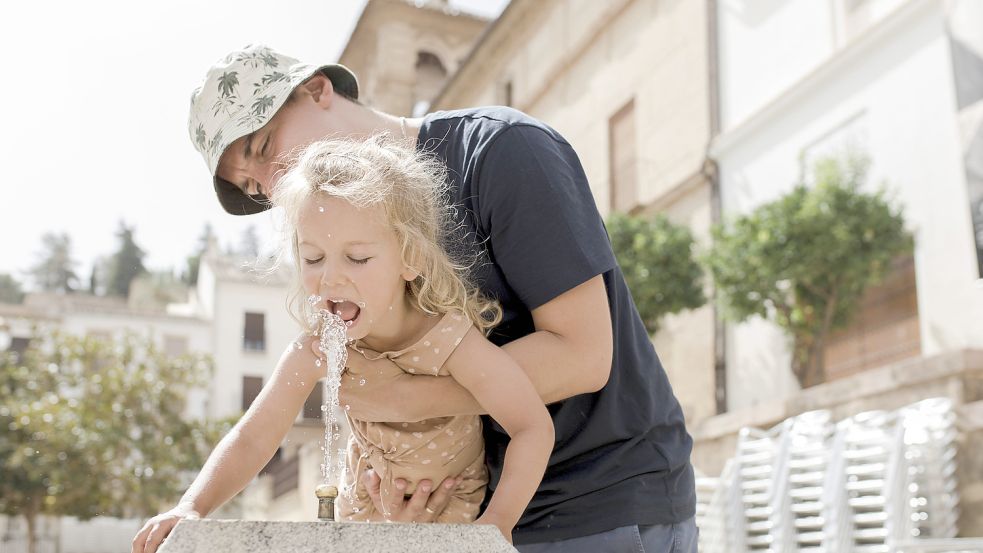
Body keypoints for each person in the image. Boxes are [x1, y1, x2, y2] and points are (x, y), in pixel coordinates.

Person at [143, 44, 699, 552]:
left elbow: (583, 356)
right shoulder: (339, 289)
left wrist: (402, 398)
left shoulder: (502, 152)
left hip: (604, 504)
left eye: (264, 147)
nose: (271, 181)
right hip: (482, 520)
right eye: (256, 188)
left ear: (317, 89)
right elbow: (257, 432)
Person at [132, 136, 553, 551]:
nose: (330, 278)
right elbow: (254, 437)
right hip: (360, 517)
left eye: (357, 258)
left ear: (411, 258)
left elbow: (531, 426)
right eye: (314, 258)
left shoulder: (449, 340)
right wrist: (191, 507)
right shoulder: (317, 349)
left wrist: (498, 522)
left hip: (451, 523)